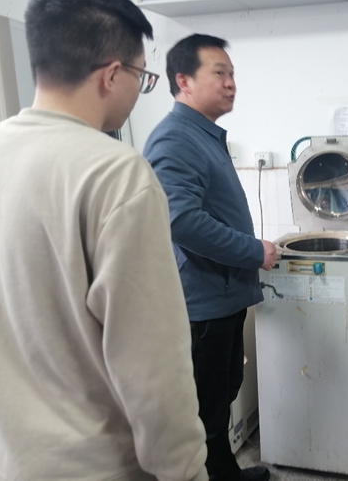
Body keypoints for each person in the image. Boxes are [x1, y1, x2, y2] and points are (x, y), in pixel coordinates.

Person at [0, 0, 208, 481]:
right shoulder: (116, 174)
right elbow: (154, 371)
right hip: (90, 467)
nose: (139, 90)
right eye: (142, 76)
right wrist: (186, 471)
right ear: (112, 75)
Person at [143, 34, 276, 481]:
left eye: (232, 74)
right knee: (204, 408)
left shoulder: (202, 135)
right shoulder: (175, 138)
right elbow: (181, 220)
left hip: (222, 296)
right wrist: (253, 251)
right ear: (183, 81)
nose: (231, 83)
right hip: (201, 303)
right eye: (219, 73)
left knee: (221, 396)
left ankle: (226, 474)